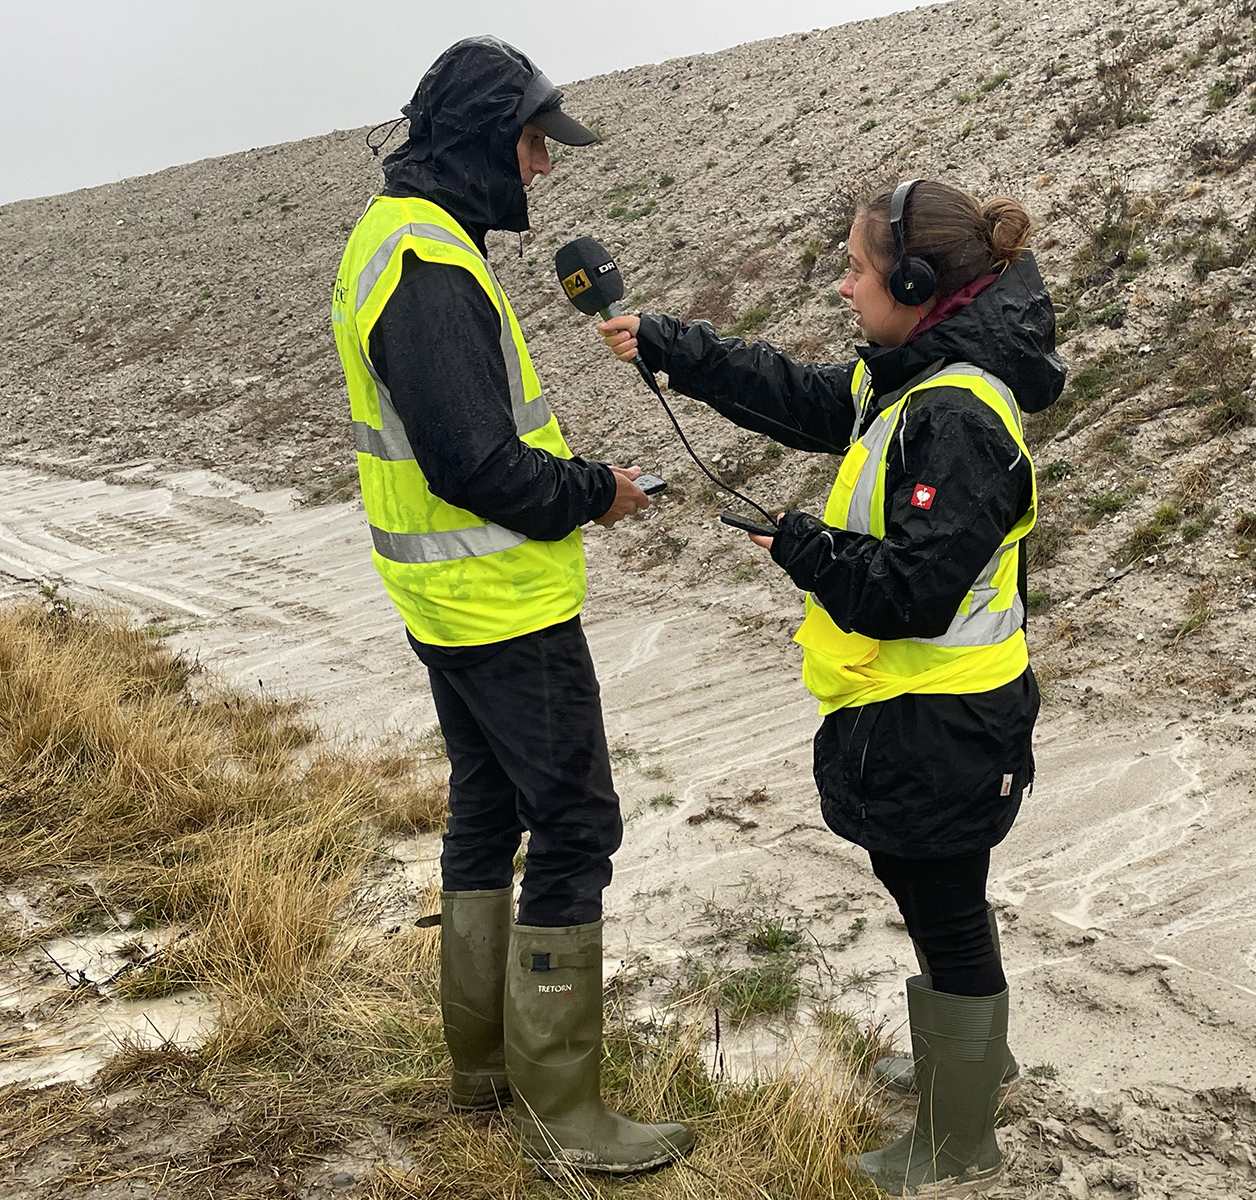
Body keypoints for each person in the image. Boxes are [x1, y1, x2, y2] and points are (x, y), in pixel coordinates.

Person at [599, 178, 1064, 1196]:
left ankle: (956, 1139)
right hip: (918, 714)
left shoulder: (956, 414)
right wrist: (679, 348)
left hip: (943, 717)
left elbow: (912, 593)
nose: (845, 289)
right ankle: (970, 1064)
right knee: (935, 895)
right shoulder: (911, 375)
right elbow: (804, 397)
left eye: (856, 270)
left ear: (913, 282)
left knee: (941, 906)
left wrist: (798, 545)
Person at [330, 37, 693, 1176]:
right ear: (492, 138)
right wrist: (599, 491)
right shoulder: (426, 264)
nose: (542, 168)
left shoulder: (400, 239)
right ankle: (560, 1110)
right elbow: (477, 464)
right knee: (576, 826)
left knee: (489, 817)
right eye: (536, 142)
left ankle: (485, 1070)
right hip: (499, 604)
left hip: (450, 601)